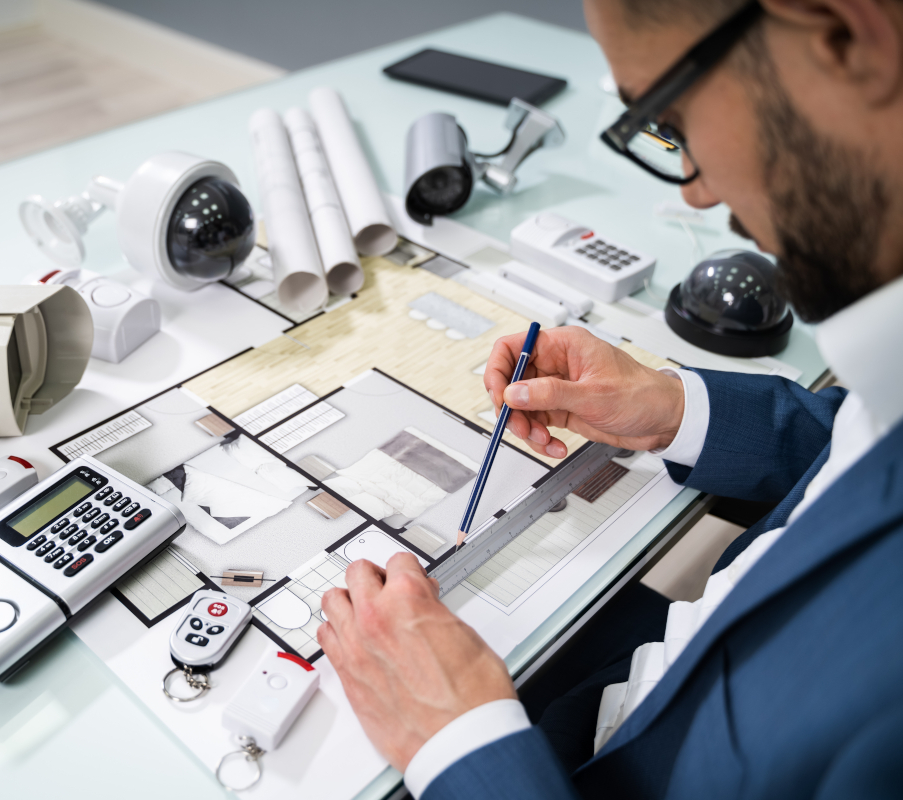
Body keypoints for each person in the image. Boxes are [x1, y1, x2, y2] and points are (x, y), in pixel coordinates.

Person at [316, 0, 903, 796]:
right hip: (659, 672)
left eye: (672, 118)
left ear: (840, 34)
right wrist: (673, 406)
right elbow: (866, 447)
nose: (698, 195)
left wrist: (460, 744)